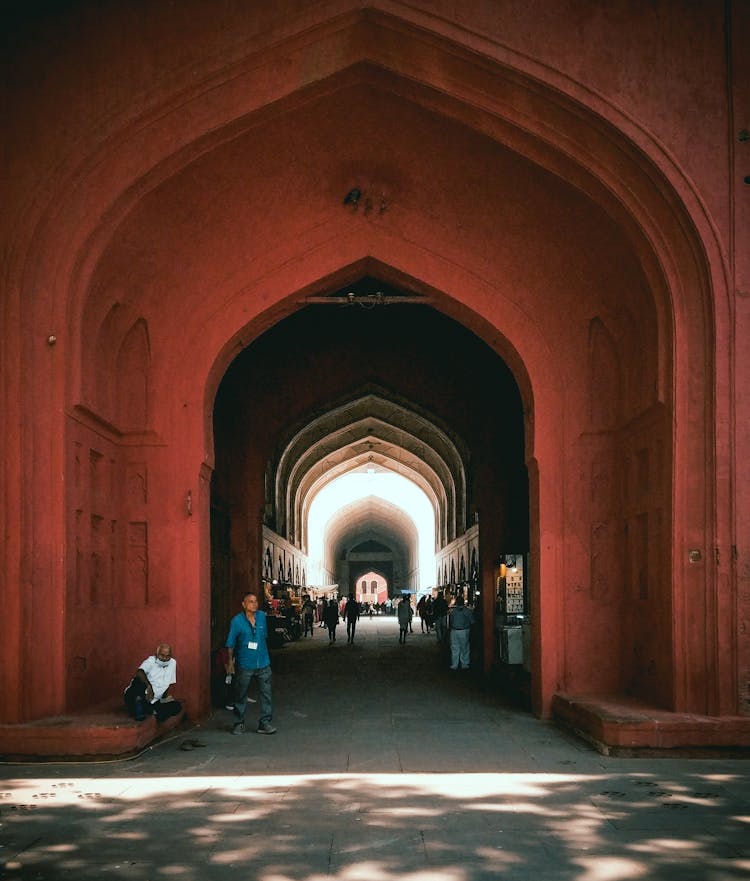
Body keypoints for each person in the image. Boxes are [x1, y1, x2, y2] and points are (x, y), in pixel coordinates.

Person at [224, 591, 277, 735]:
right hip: (245, 663)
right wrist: (230, 662)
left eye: (256, 601)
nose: (254, 604)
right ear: (243, 604)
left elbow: (264, 636)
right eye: (251, 601)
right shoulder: (237, 621)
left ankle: (264, 723)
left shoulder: (261, 617)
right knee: (240, 694)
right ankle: (238, 722)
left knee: (266, 694)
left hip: (263, 662)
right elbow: (230, 644)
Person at [123, 643, 182, 723]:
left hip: (154, 700)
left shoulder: (172, 663)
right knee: (138, 681)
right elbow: (140, 672)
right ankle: (139, 705)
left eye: (167, 656)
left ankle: (149, 709)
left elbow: (167, 683)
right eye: (162, 655)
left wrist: (164, 699)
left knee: (177, 706)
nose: (164, 659)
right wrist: (149, 686)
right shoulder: (150, 661)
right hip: (139, 693)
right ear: (156, 654)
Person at [448, 594, 474, 670]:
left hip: (454, 631)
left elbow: (450, 622)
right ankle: (464, 664)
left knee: (454, 648)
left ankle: (454, 665)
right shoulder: (467, 611)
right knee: (464, 648)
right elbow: (472, 622)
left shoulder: (453, 611)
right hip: (464, 631)